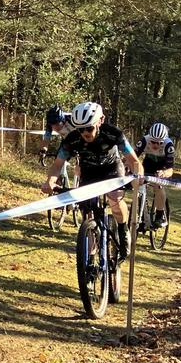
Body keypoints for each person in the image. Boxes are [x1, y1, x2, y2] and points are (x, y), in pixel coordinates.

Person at [41, 101, 142, 260]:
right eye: (81, 129)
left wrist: (138, 177)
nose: (85, 133)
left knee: (114, 198)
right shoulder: (72, 139)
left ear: (100, 121)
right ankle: (90, 255)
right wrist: (50, 181)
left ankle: (123, 229)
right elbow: (57, 165)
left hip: (111, 169)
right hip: (89, 172)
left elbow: (134, 161)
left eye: (89, 128)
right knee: (86, 209)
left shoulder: (113, 134)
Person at [135, 122, 175, 228]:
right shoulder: (144, 140)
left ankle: (159, 215)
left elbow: (171, 169)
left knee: (158, 185)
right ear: (149, 138)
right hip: (149, 163)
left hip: (163, 166)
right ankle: (141, 213)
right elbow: (132, 157)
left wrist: (164, 173)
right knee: (138, 182)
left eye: (159, 143)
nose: (156, 145)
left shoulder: (169, 145)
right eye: (153, 142)